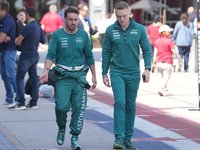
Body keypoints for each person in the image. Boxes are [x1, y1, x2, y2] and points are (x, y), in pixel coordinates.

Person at [39, 6, 97, 150]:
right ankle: (62, 127)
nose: (73, 22)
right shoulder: (57, 35)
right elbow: (51, 55)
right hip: (63, 77)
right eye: (70, 19)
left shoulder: (83, 35)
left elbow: (89, 56)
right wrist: (46, 71)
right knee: (61, 107)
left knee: (79, 108)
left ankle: (75, 137)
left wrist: (94, 76)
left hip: (79, 77)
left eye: (75, 20)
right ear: (64, 19)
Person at [102, 1, 151, 149]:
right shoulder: (111, 30)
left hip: (133, 73)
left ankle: (128, 140)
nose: (122, 19)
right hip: (117, 72)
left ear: (130, 14)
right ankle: (119, 139)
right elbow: (106, 52)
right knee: (119, 102)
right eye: (118, 16)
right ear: (115, 15)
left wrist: (147, 68)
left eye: (124, 16)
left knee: (130, 105)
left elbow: (147, 50)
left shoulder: (139, 29)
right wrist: (104, 73)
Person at [10, 7, 45, 110]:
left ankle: (21, 103)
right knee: (34, 79)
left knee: (19, 78)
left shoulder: (28, 27)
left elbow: (18, 41)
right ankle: (34, 102)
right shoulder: (38, 26)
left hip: (26, 55)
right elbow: (43, 40)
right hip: (35, 55)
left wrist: (17, 39)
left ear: (28, 15)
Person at [153, 25, 183, 96]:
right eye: (168, 31)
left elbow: (155, 52)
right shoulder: (169, 41)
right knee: (166, 77)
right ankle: (160, 88)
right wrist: (179, 57)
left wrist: (154, 60)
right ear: (163, 32)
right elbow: (174, 51)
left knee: (164, 77)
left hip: (159, 62)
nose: (170, 32)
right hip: (168, 62)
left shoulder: (157, 41)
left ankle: (165, 90)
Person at [0, 1, 19, 107]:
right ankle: (9, 98)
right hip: (2, 51)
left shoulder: (8, 20)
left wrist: (2, 37)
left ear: (3, 10)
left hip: (9, 51)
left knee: (11, 75)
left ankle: (18, 98)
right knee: (4, 76)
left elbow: (1, 39)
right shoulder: (2, 20)